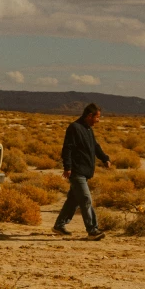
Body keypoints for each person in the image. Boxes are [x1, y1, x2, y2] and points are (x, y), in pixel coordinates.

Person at [52, 103, 111, 240]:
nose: (98, 120)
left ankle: (59, 225)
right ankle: (92, 230)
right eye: (97, 117)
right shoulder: (74, 128)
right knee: (85, 199)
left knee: (73, 200)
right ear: (89, 116)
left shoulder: (88, 129)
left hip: (85, 171)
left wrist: (104, 158)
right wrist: (67, 167)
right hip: (77, 171)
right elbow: (67, 148)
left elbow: (95, 146)